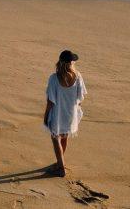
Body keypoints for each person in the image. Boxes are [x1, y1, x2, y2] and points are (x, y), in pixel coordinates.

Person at [43, 49, 86, 177]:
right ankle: (59, 161)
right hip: (70, 113)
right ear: (71, 63)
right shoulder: (78, 76)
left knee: (55, 138)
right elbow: (81, 97)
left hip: (58, 113)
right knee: (64, 136)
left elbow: (50, 101)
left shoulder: (54, 79)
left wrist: (45, 116)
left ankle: (61, 167)